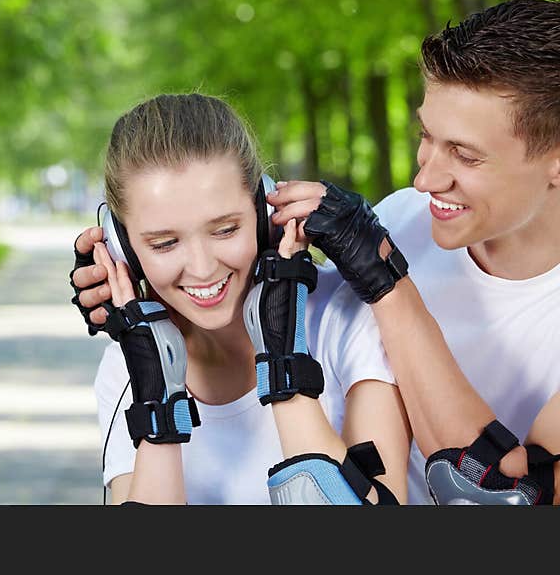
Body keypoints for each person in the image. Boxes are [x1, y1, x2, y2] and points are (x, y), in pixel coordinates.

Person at [270, 0, 560, 504]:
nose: (424, 178)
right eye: (426, 136)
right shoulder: (404, 215)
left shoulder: (383, 242)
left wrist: (387, 282)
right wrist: (144, 284)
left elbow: (510, 496)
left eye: (465, 156)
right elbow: (284, 322)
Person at [71, 93, 411, 504]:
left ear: (264, 215)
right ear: (124, 248)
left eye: (225, 230)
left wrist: (285, 361)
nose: (200, 267)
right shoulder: (127, 366)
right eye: (163, 243)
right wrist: (159, 399)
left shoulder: (346, 318)